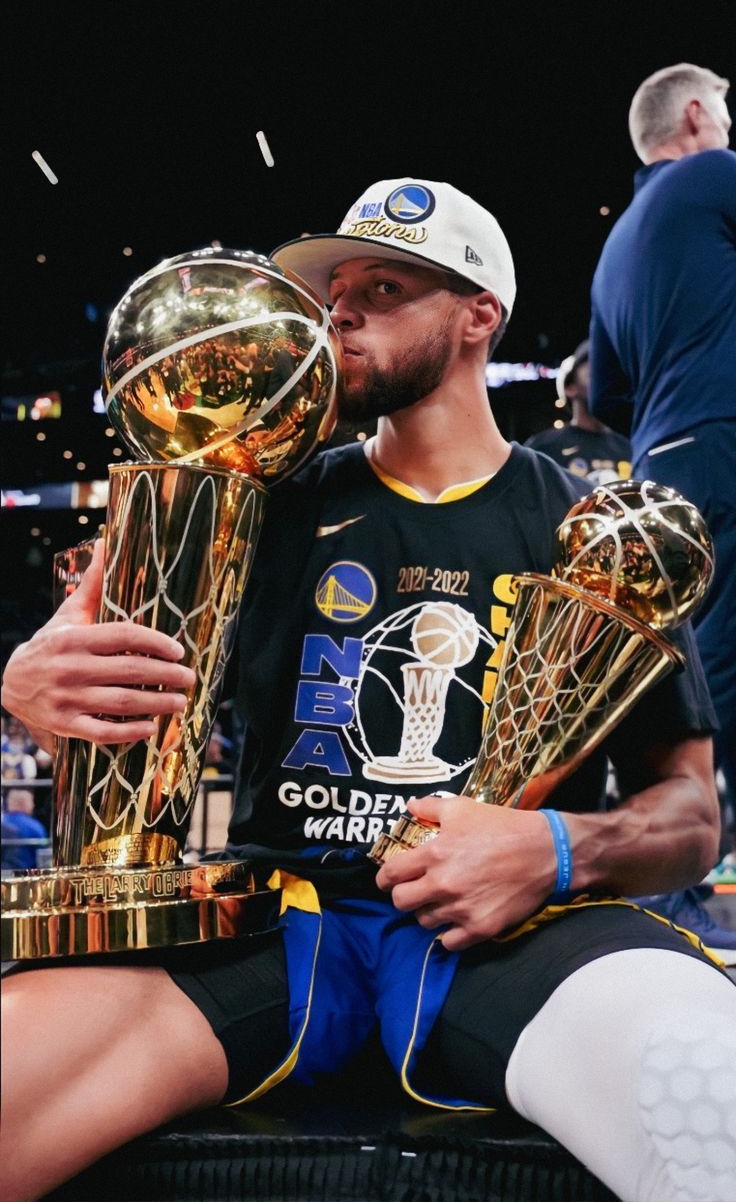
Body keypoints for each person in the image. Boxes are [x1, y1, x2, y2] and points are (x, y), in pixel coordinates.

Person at [2, 176, 735, 1202]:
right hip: (277, 922)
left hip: (500, 934)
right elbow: (83, 648)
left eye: (386, 288)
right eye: (335, 292)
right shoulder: (248, 496)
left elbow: (692, 812)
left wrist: (560, 845)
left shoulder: (592, 532)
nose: (340, 312)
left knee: (700, 1093)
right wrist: (27, 679)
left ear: (480, 317)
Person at [589, 63, 736, 853]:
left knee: (684, 669)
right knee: (721, 662)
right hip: (724, 440)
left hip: (659, 464)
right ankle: (683, 870)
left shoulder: (616, 245)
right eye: (723, 117)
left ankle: (677, 857)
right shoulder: (714, 173)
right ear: (692, 116)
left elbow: (609, 392)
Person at [525, 339, 632, 485]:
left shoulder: (630, 448)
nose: (604, 381)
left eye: (609, 375)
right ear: (570, 387)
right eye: (594, 373)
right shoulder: (543, 448)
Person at [1, 789, 48, 873]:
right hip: (27, 877)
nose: (33, 805)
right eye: (31, 801)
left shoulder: (3, 824)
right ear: (23, 803)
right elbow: (44, 857)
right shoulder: (35, 827)